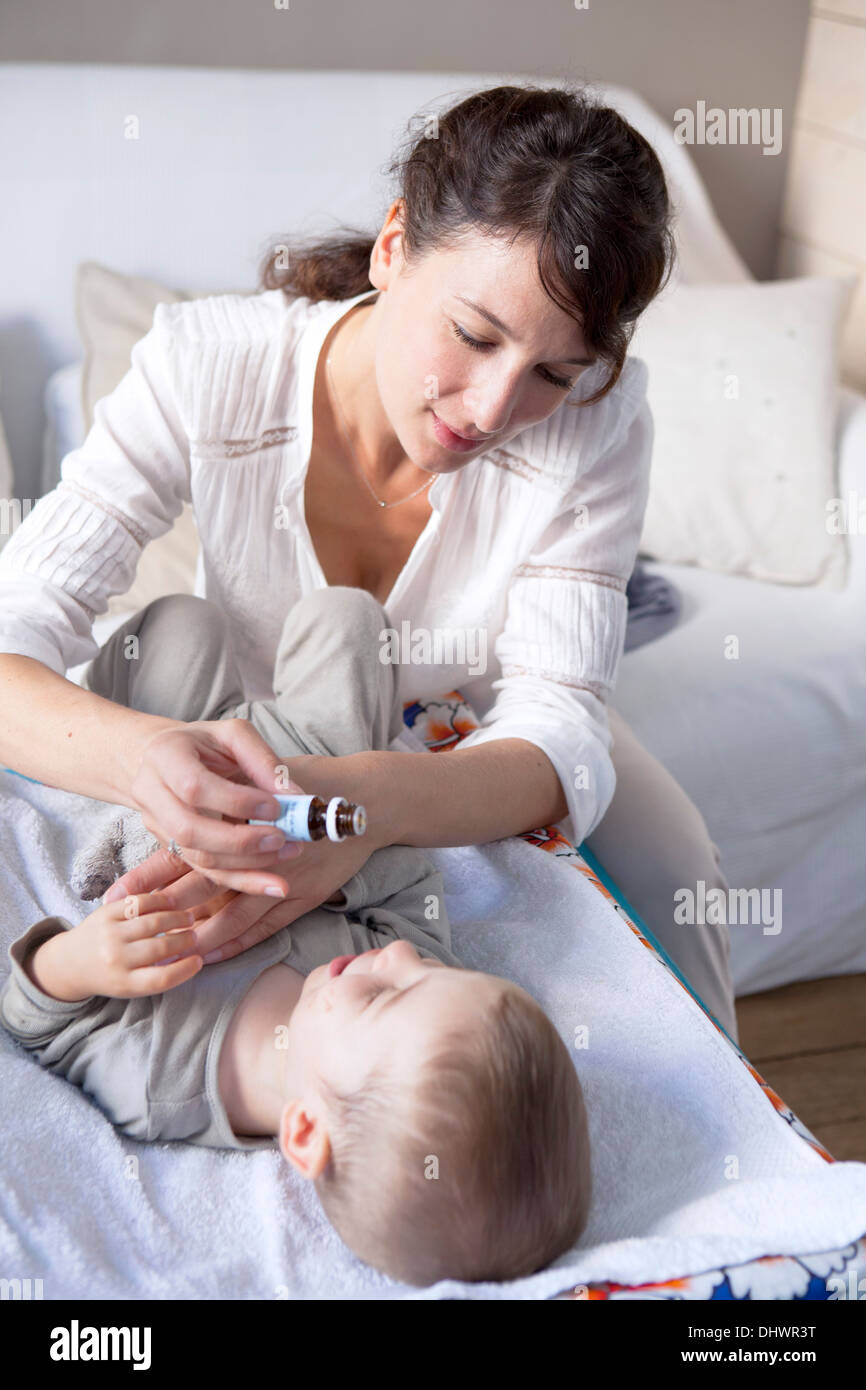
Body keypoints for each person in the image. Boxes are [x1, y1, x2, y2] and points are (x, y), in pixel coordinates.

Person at [0, 82, 737, 1040]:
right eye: (473, 335)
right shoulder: (210, 362)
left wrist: (366, 808)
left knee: (678, 864)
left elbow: (559, 722)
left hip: (463, 721)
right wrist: (143, 763)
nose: (489, 409)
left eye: (554, 374)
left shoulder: (599, 424)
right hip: (254, 714)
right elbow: (15, 634)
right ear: (394, 248)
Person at [0, 585, 592, 1287]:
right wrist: (338, 878)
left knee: (182, 625)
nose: (400, 957)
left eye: (384, 996)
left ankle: (122, 705)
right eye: (429, 973)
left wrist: (76, 962)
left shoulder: (166, 1077)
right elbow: (407, 881)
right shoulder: (400, 969)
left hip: (179, 782)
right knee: (348, 618)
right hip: (315, 775)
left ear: (306, 1132)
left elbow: (38, 1025)